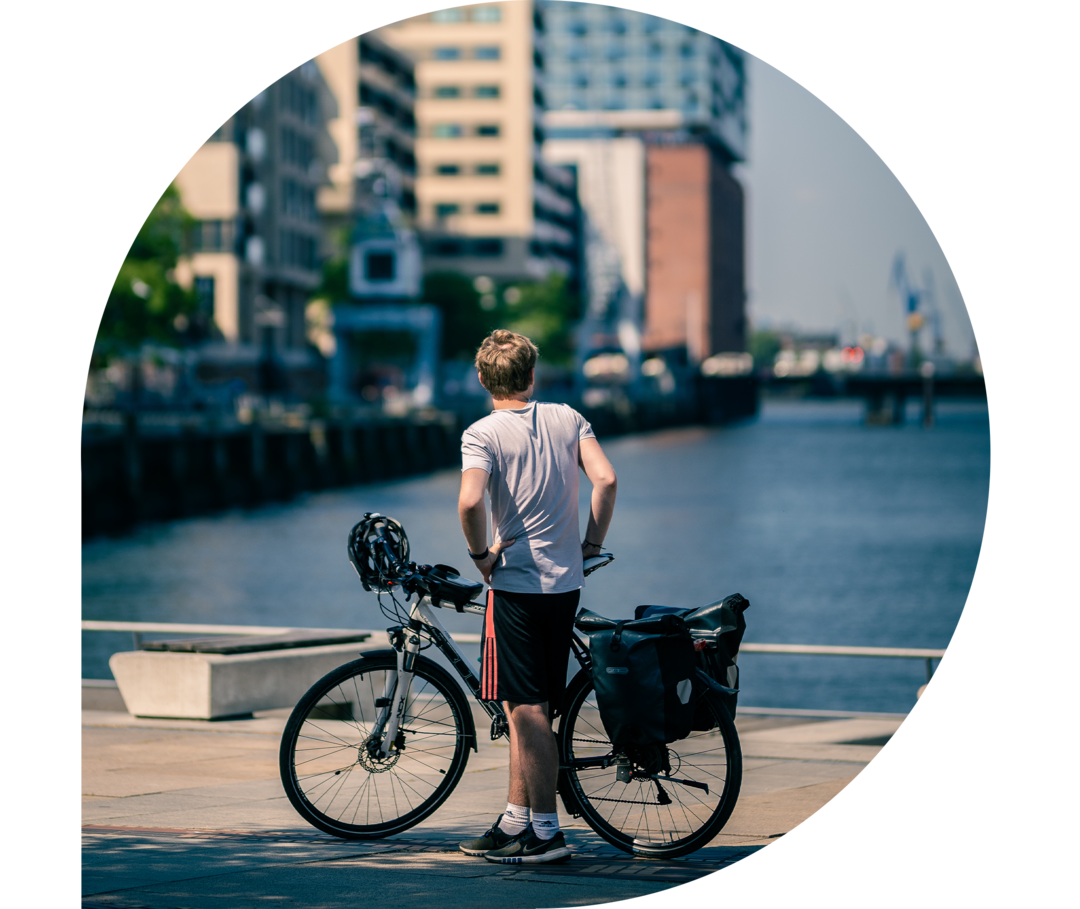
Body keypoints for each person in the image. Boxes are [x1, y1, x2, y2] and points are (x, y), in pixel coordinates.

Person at [456, 329, 617, 865]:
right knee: (525, 704)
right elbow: (607, 480)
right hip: (566, 583)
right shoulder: (569, 418)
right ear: (531, 376)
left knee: (526, 711)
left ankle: (546, 832)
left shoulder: (482, 433)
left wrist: (481, 555)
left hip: (517, 587)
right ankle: (515, 819)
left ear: (483, 379)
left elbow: (470, 500)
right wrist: (591, 544)